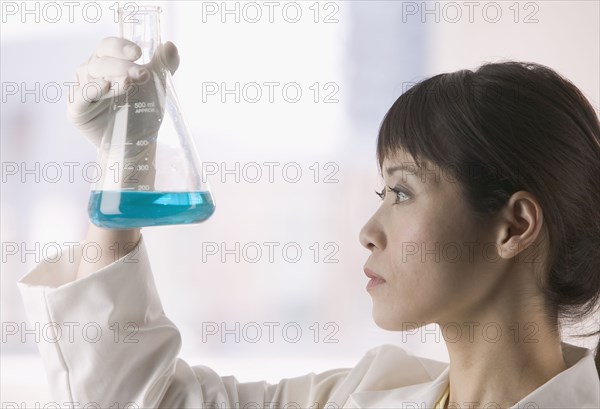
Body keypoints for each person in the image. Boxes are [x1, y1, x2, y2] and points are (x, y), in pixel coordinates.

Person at [17, 37, 600, 408]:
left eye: (402, 191)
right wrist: (125, 164)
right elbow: (134, 400)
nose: (368, 230)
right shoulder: (363, 395)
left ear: (514, 225)